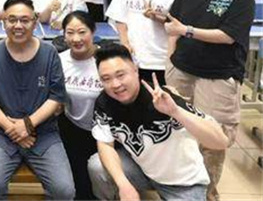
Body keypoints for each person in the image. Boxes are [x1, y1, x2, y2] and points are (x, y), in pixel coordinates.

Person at [164, 0, 255, 201]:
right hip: (181, 72)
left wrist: (187, 31)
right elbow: (173, 25)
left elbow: (228, 36)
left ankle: (206, 194)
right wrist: (170, 61)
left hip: (218, 77)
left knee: (213, 139)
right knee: (177, 131)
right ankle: (179, 188)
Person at [87, 44, 228, 201]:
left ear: (135, 70)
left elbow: (221, 142)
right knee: (97, 166)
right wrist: (123, 185)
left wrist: (175, 112)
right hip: (143, 171)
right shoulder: (105, 101)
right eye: (106, 79)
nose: (115, 84)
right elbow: (105, 144)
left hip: (183, 183)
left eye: (120, 75)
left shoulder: (162, 99)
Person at [0, 0, 75, 200]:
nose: (18, 25)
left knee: (64, 190)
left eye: (24, 20)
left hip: (43, 132)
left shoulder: (50, 54)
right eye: (12, 19)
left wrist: (28, 124)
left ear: (35, 22)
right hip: (1, 132)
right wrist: (13, 129)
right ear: (3, 22)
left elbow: (56, 96)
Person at [58, 11, 102, 200]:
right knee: (79, 183)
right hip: (72, 128)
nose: (76, 39)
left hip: (105, 130)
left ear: (93, 31)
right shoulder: (59, 60)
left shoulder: (106, 59)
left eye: (82, 32)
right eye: (70, 33)